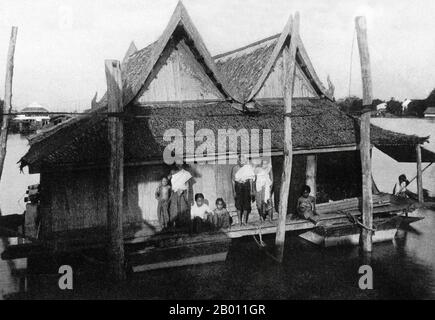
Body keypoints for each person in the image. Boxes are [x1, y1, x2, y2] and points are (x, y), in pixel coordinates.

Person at [231, 154, 255, 226]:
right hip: (238, 186)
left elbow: (251, 180)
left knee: (246, 204)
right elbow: (232, 180)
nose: (242, 162)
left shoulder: (248, 167)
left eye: (243, 161)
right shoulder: (235, 168)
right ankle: (239, 221)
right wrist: (234, 191)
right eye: (240, 160)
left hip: (246, 186)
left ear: (245, 161)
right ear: (238, 161)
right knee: (238, 205)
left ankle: (244, 221)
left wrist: (251, 190)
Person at [254, 158, 274, 222]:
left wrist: (270, 188)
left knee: (269, 202)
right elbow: (254, 180)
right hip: (259, 188)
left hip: (267, 188)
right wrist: (254, 190)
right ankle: (261, 217)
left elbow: (272, 179)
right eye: (262, 163)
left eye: (265, 163)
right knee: (259, 203)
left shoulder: (269, 169)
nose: (263, 165)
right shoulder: (257, 170)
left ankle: (270, 218)